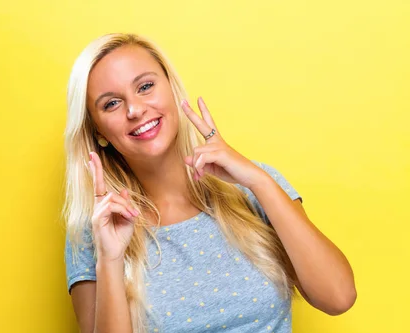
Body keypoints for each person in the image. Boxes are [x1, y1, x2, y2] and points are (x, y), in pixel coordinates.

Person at [63, 33, 356, 333]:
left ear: (172, 90)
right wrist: (110, 260)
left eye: (146, 87)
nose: (134, 110)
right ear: (97, 130)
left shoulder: (253, 186)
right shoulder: (98, 229)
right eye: (111, 103)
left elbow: (338, 297)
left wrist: (258, 181)